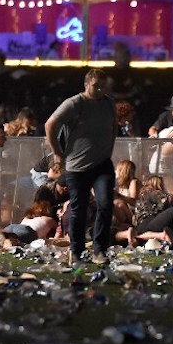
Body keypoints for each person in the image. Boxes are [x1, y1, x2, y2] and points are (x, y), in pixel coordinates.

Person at [45, 69, 117, 264]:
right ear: (86, 85)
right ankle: (76, 251)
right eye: (96, 85)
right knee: (79, 207)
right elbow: (50, 124)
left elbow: (113, 127)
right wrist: (58, 153)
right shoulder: (75, 103)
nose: (100, 89)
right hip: (77, 166)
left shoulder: (108, 103)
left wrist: (109, 149)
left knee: (105, 203)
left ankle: (99, 250)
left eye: (103, 85)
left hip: (102, 164)